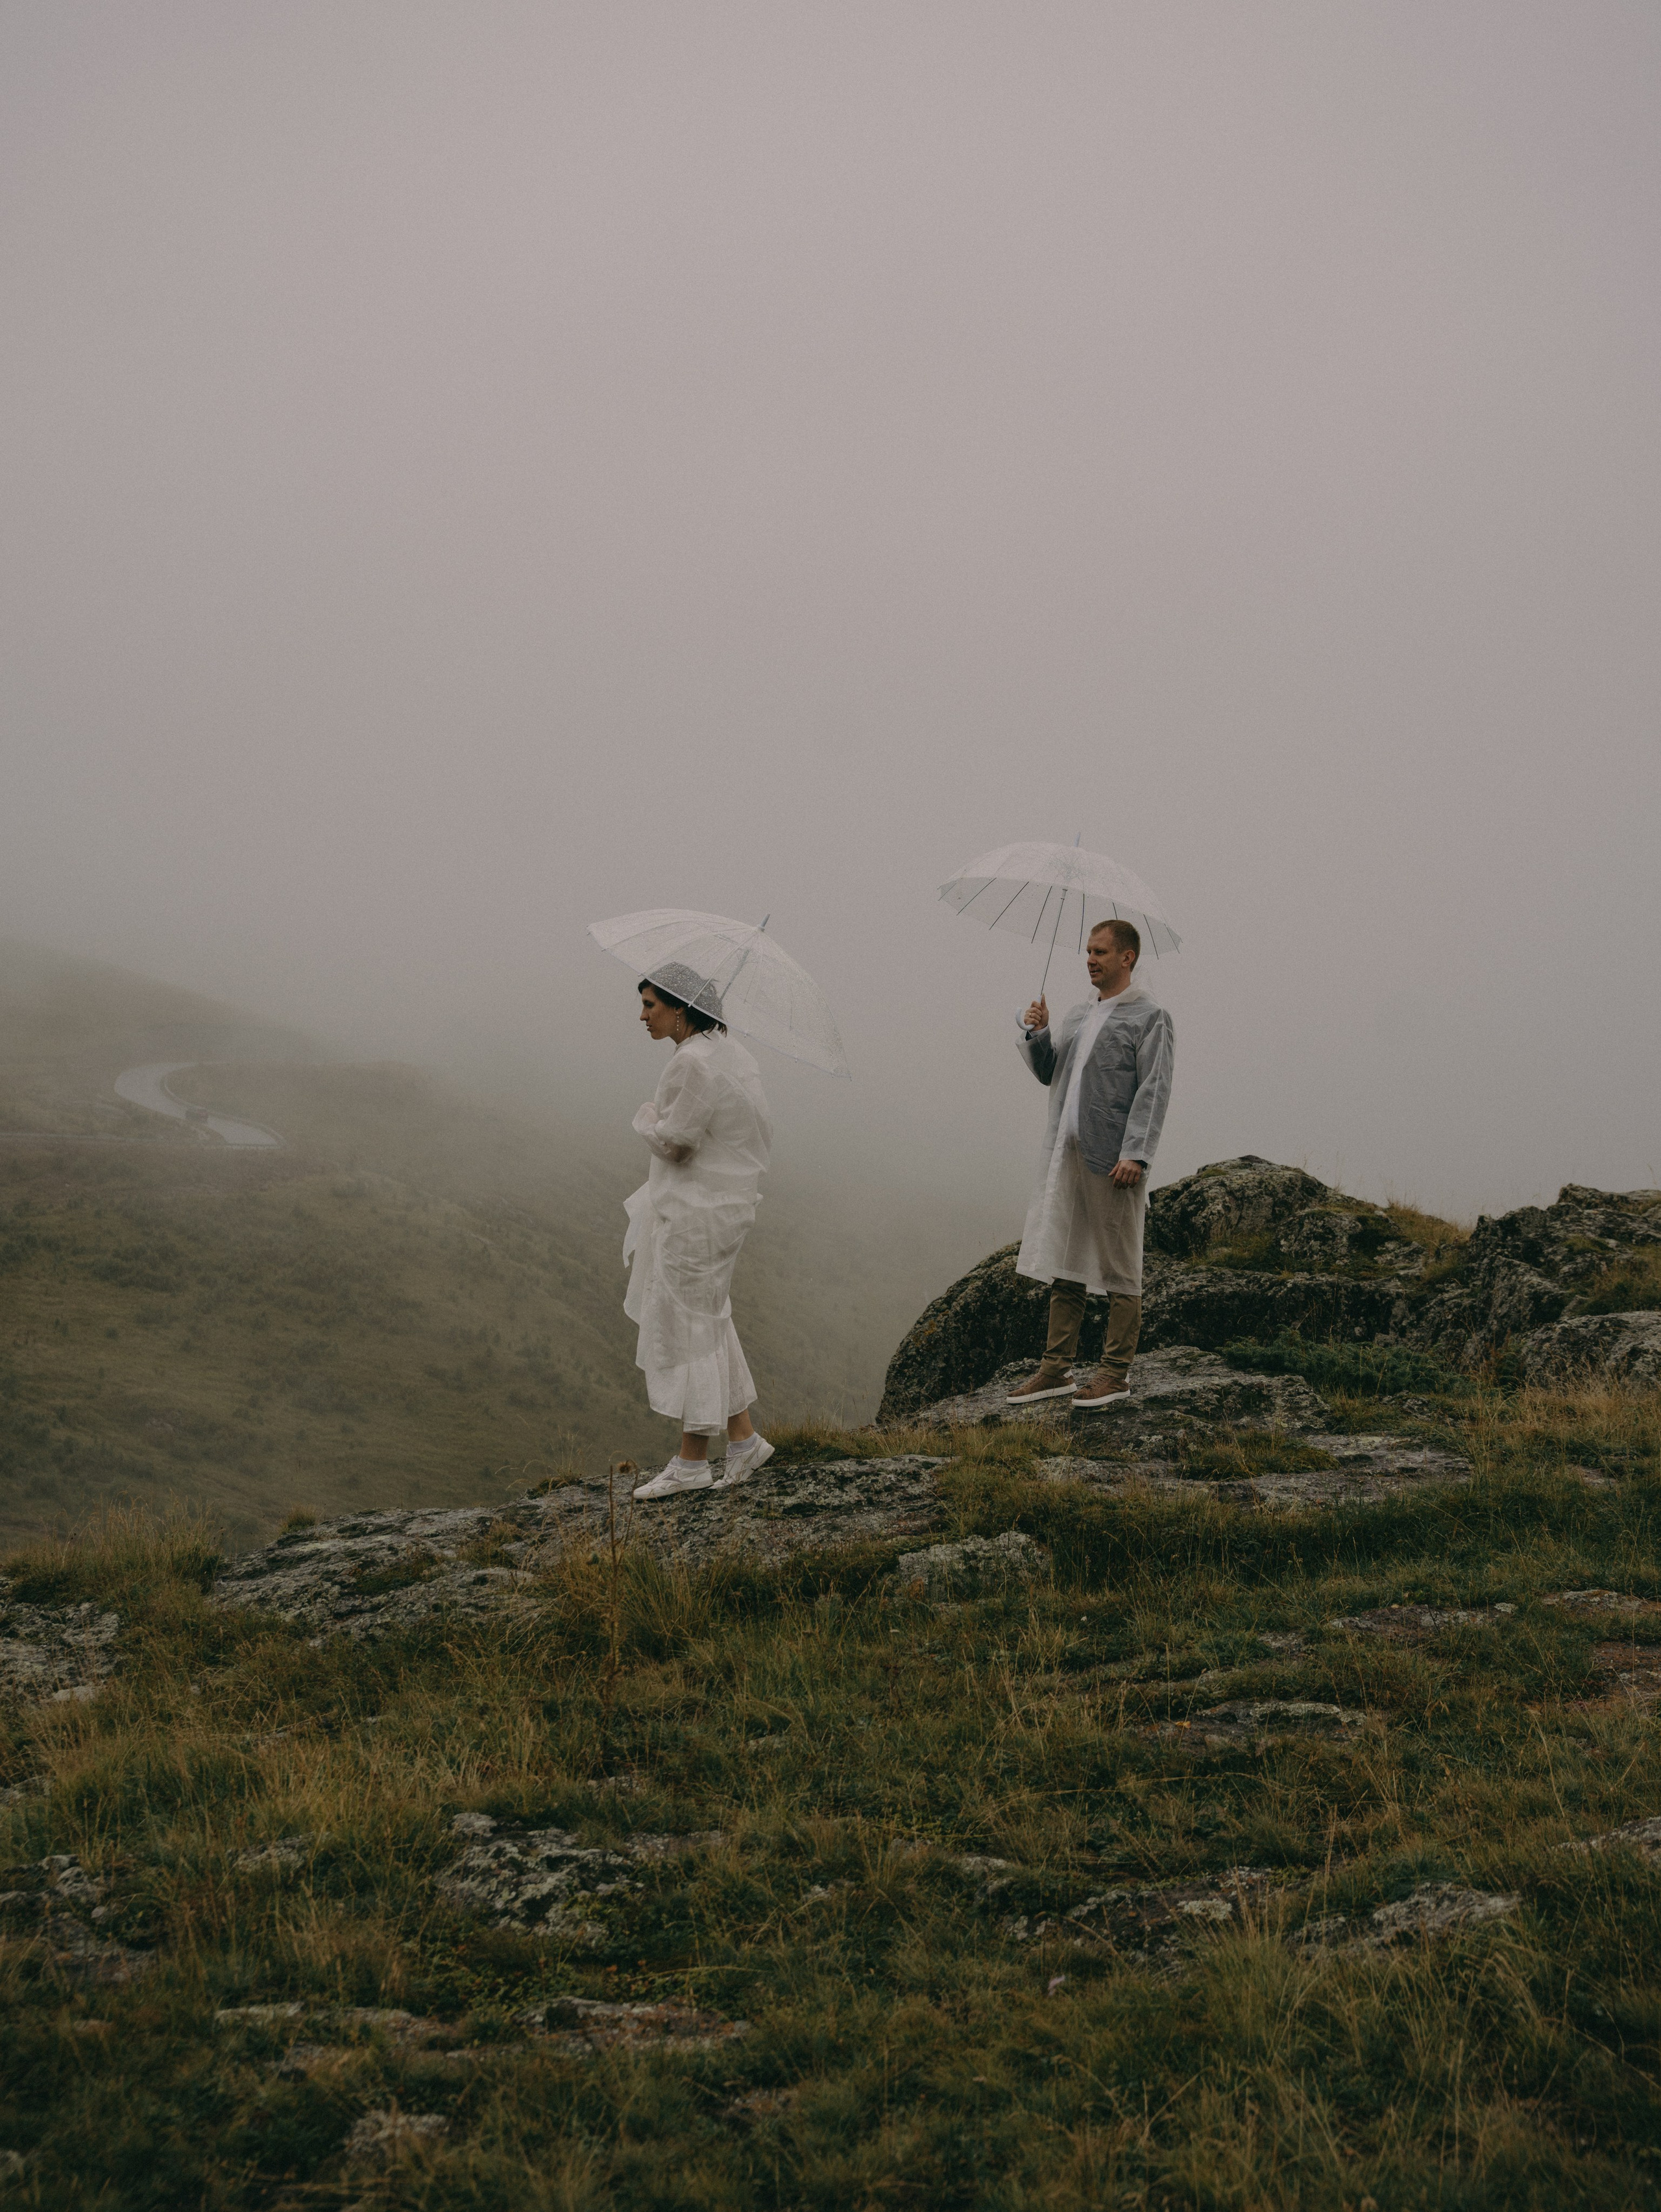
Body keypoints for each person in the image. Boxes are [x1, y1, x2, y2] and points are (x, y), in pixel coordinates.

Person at [622, 961, 776, 1500]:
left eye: (650, 1005)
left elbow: (677, 1142)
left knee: (690, 1325)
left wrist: (644, 1117)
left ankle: (691, 1464)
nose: (641, 1016)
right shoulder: (734, 1054)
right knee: (711, 1318)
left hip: (695, 1214)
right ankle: (744, 1441)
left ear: (681, 1009)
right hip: (726, 1209)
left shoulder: (693, 1063)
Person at [1006, 918, 1174, 1410]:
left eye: (1101, 952)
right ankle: (1056, 1369)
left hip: (1113, 1160)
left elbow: (1154, 1089)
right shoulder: (1080, 1015)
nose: (1090, 959)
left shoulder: (1150, 1017)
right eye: (1088, 951)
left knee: (1121, 1268)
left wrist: (1136, 1154)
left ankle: (1115, 1374)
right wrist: (1037, 1033)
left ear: (1128, 958)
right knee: (1065, 1259)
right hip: (1068, 1151)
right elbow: (1049, 1074)